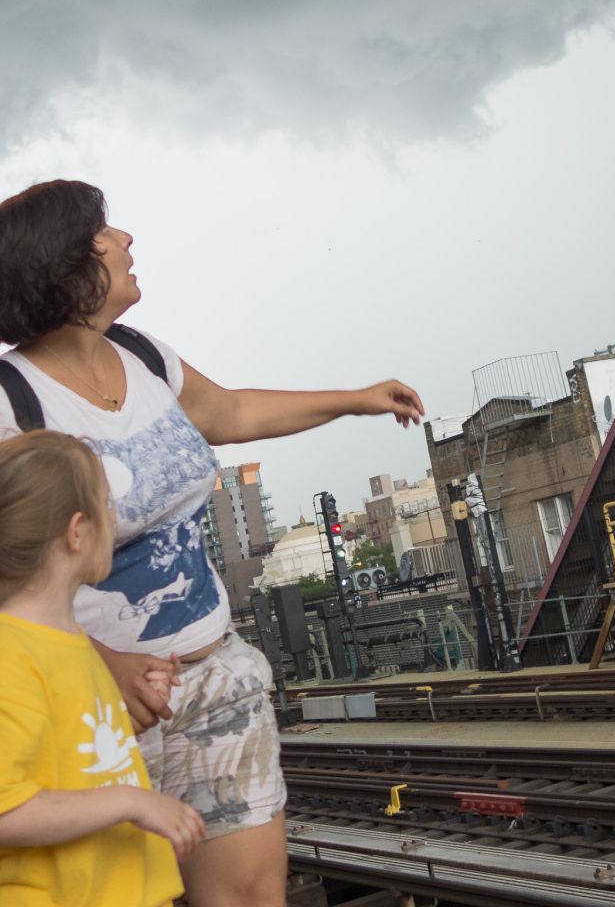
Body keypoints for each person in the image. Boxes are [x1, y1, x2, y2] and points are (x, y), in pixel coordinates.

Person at [0, 180, 425, 907]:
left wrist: (354, 399)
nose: (126, 239)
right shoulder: (12, 403)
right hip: (98, 699)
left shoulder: (140, 354)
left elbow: (227, 411)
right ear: (68, 265)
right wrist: (110, 664)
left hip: (216, 670)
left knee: (253, 896)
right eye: (106, 232)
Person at [0, 429, 206, 906]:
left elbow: (67, 755)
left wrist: (119, 720)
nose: (115, 521)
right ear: (76, 531)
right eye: (107, 506)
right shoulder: (12, 654)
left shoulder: (68, 641)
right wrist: (133, 802)